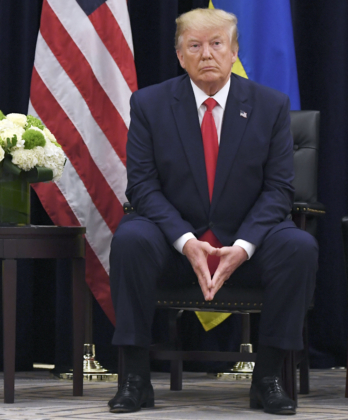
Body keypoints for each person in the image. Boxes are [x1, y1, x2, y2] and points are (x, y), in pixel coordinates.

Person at [107, 8, 316, 415]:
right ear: (180, 55)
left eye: (217, 44)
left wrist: (242, 246)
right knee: (130, 239)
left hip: (244, 245)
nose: (207, 54)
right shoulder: (149, 104)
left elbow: (278, 190)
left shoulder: (270, 106)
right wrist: (186, 241)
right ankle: (134, 378)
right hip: (174, 248)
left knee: (299, 246)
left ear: (234, 50)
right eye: (195, 46)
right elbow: (143, 187)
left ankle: (268, 378)